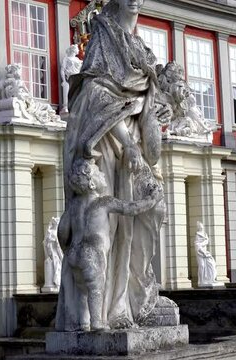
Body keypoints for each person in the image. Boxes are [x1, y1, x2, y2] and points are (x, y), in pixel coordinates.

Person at [58, 0, 173, 331]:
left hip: (131, 147)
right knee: (105, 227)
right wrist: (128, 142)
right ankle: (96, 315)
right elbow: (95, 93)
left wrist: (154, 119)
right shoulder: (102, 38)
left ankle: (123, 304)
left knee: (132, 224)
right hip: (106, 141)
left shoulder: (142, 51)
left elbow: (149, 110)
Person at [58, 158, 162, 331]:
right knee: (95, 289)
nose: (103, 174)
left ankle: (83, 323)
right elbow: (131, 208)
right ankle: (97, 322)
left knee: (81, 292)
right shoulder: (103, 202)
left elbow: (62, 231)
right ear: (92, 183)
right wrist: (152, 199)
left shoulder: (74, 206)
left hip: (74, 252)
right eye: (98, 173)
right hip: (93, 251)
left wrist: (66, 249)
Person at [195, 222, 217, 286]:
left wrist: (203, 244)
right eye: (200, 226)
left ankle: (208, 279)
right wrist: (202, 248)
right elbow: (197, 244)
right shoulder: (197, 235)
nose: (201, 227)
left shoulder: (205, 234)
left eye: (202, 226)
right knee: (201, 266)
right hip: (199, 252)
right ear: (198, 227)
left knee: (208, 265)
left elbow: (207, 241)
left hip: (204, 251)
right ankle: (201, 281)